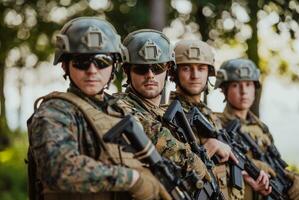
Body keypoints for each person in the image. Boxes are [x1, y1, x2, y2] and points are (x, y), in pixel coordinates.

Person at [27, 17, 170, 200]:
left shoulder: (118, 112)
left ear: (114, 65)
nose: (92, 70)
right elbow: (60, 170)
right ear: (65, 65)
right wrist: (133, 179)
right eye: (81, 61)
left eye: (102, 61)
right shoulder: (55, 112)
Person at [169, 40, 272, 199]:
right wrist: (209, 149)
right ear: (174, 72)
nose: (195, 75)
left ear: (208, 73)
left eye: (201, 68)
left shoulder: (208, 115)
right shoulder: (168, 115)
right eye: (186, 68)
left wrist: (247, 177)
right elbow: (170, 172)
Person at [111, 29, 211, 184]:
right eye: (141, 68)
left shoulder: (165, 113)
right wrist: (197, 163)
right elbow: (148, 132)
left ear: (168, 69)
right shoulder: (119, 105)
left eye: (157, 68)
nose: (150, 75)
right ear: (127, 71)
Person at [215, 58, 299, 200]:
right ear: (224, 89)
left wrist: (292, 178)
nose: (243, 91)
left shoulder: (261, 128)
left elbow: (277, 165)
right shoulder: (216, 123)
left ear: (255, 88)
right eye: (236, 85)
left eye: (248, 85)